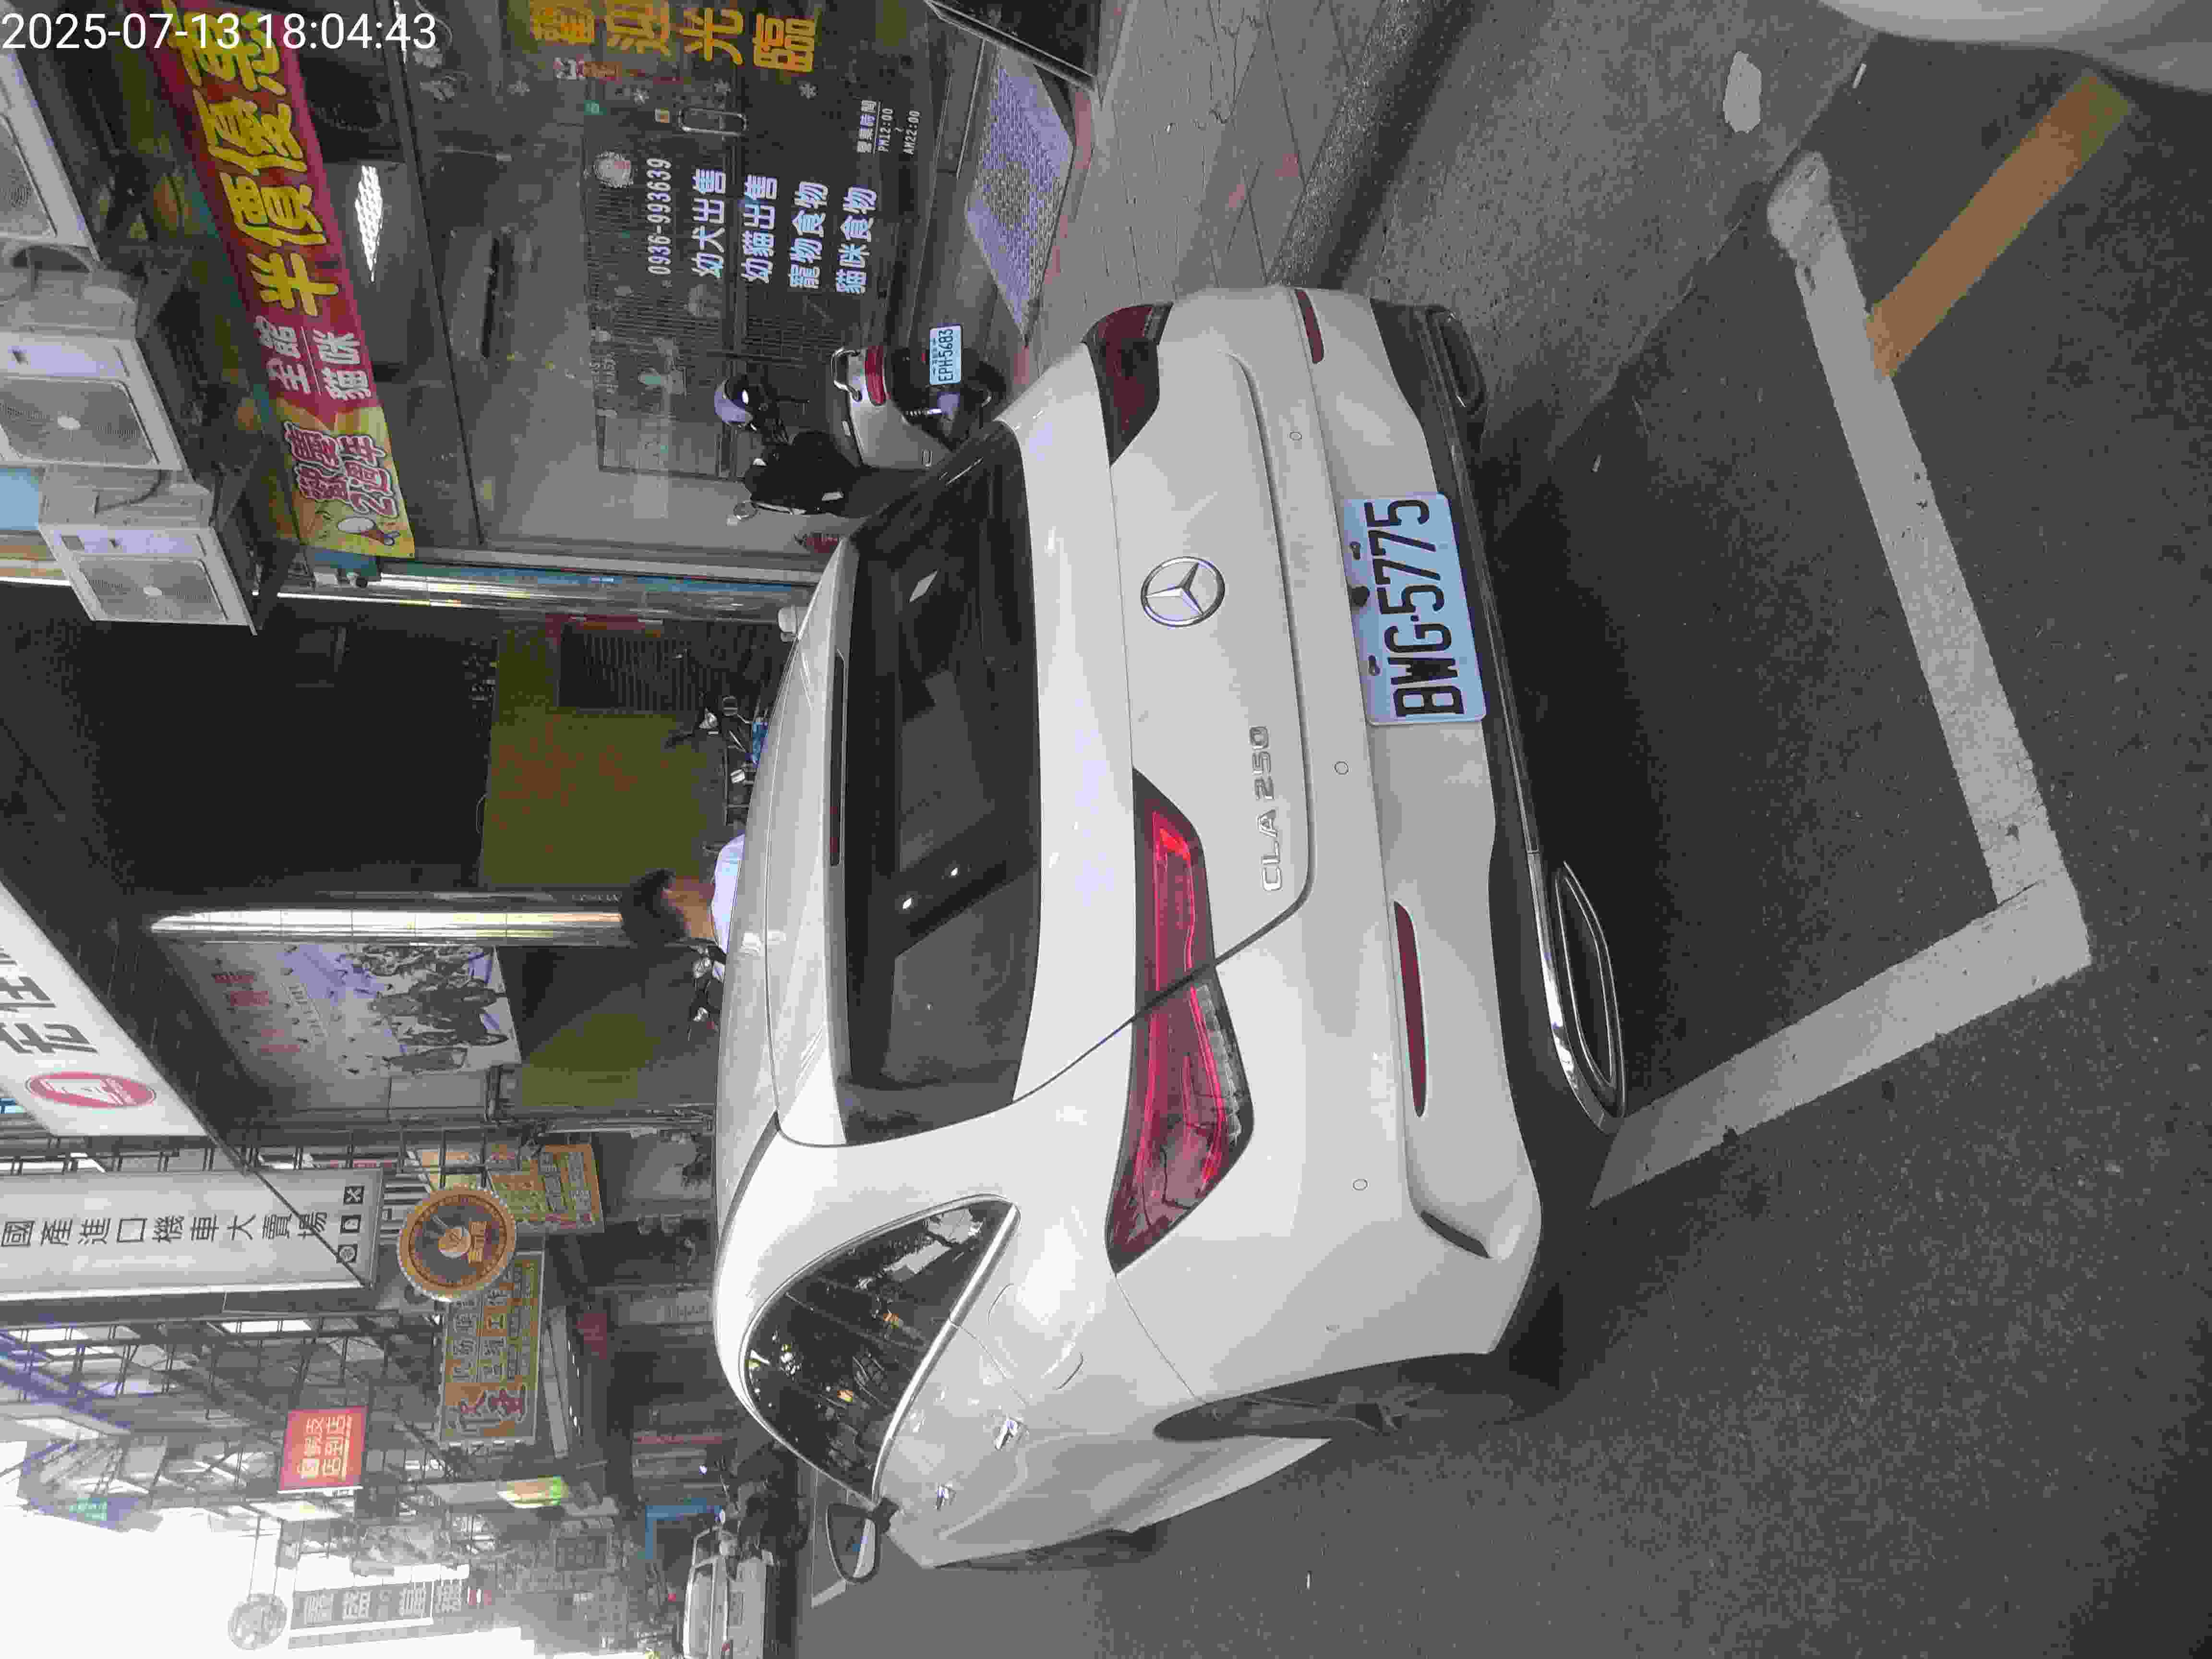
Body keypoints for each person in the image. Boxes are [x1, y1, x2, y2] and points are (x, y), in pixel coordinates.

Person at [623, 835, 745, 978]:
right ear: (671, 892)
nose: (692, 877)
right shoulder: (730, 861)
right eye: (676, 877)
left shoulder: (731, 974)